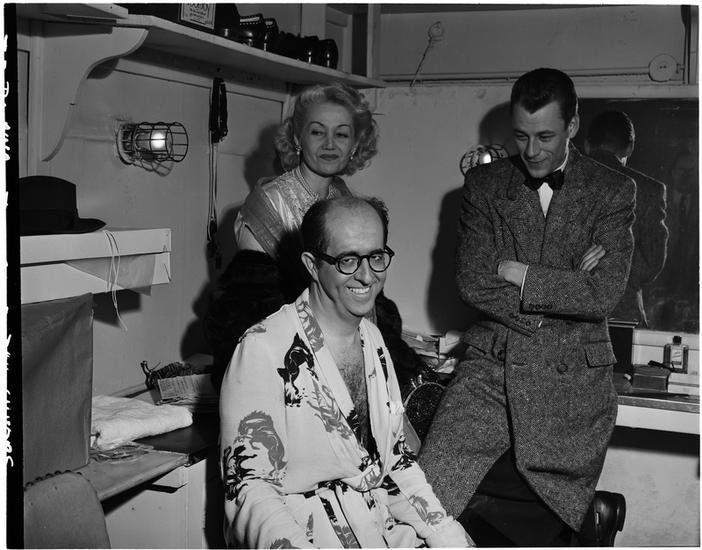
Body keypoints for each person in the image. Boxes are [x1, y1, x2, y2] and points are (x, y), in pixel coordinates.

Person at [419, 68, 635, 546]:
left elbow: (603, 293)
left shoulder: (613, 190)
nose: (532, 151)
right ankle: (591, 517)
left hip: (573, 384)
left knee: (545, 512)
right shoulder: (484, 184)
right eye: (521, 136)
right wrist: (569, 285)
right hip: (490, 373)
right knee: (425, 502)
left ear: (572, 126)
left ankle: (589, 519)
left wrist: (521, 273)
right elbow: (473, 281)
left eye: (545, 137)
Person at [219, 196, 471, 548]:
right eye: (347, 260)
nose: (366, 275)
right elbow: (251, 491)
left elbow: (396, 463)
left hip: (378, 530)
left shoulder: (373, 339)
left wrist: (448, 535)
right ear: (312, 265)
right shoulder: (262, 348)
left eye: (376, 257)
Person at [205, 82, 425, 389]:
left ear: (355, 144)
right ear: (297, 138)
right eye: (318, 132)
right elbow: (255, 308)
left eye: (342, 134)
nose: (330, 144)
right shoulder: (269, 202)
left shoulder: (343, 196)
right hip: (290, 357)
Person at [585, 109, 668, 327]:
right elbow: (652, 262)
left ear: (587, 144)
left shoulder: (559, 182)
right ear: (630, 147)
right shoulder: (649, 190)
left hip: (563, 314)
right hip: (623, 314)